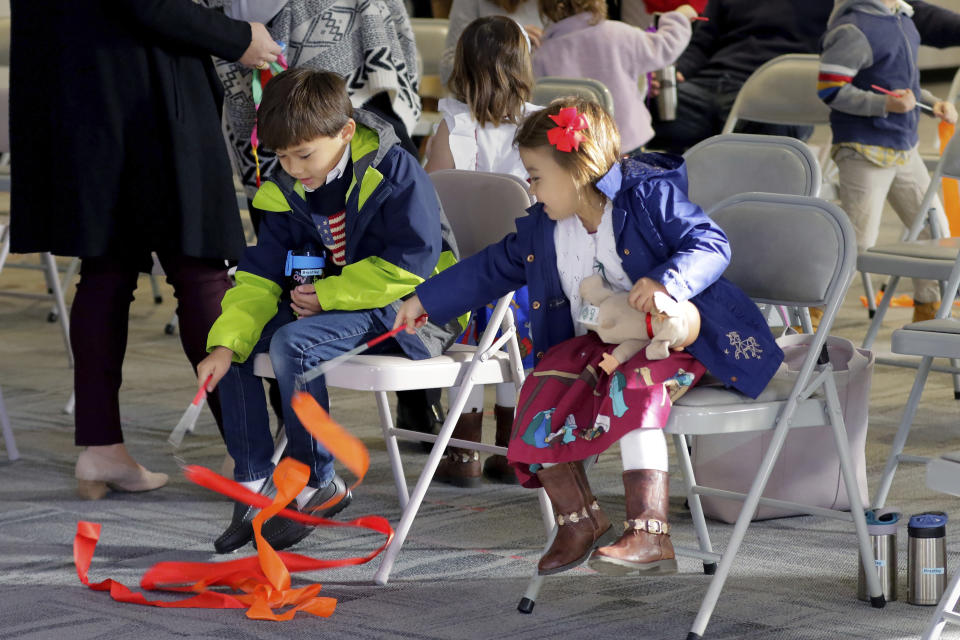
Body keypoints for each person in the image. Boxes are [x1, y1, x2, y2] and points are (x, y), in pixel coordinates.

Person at [395, 97, 782, 576]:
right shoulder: (544, 227)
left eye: (535, 176)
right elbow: (492, 268)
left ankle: (649, 531)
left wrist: (668, 282)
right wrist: (426, 300)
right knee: (540, 387)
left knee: (632, 389)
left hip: (671, 340)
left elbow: (711, 243)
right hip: (601, 344)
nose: (530, 190)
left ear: (576, 168)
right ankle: (579, 520)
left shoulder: (647, 198)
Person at [9, 0, 281, 499]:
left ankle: (100, 449)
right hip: (147, 87)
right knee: (200, 267)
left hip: (78, 82)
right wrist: (236, 36)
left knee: (106, 269)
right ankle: (248, 453)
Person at [197, 69, 463, 554]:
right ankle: (254, 482)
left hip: (411, 309)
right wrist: (221, 342)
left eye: (304, 154)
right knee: (231, 345)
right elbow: (260, 276)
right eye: (281, 156)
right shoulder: (285, 184)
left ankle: (317, 477)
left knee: (292, 344)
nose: (294, 167)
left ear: (344, 133)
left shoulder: (395, 168)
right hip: (334, 303)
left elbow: (413, 265)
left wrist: (329, 294)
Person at [423, 16, 540, 486]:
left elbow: (432, 200)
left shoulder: (450, 127)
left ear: (462, 67)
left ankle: (463, 451)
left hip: (466, 278)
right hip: (525, 276)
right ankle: (511, 449)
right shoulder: (542, 125)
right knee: (518, 353)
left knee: (465, 351)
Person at [819, 0, 958, 323]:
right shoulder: (853, 28)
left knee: (934, 228)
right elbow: (829, 90)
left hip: (903, 147)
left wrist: (932, 103)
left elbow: (904, 86)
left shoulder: (903, 19)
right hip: (865, 149)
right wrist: (884, 104)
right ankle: (813, 308)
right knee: (859, 239)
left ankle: (929, 311)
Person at [647, 0, 835, 153]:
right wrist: (679, 72)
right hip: (706, 88)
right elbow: (701, 45)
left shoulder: (836, 6)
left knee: (773, 136)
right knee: (639, 107)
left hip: (775, 94)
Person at [532, 0, 697, 153]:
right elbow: (665, 46)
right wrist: (679, 17)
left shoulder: (542, 54)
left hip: (578, 150)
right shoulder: (618, 33)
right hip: (627, 140)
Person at [440, 0, 544, 85]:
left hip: (538, 97)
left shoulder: (553, 4)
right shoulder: (469, 3)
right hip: (486, 102)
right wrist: (508, 41)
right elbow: (448, 70)